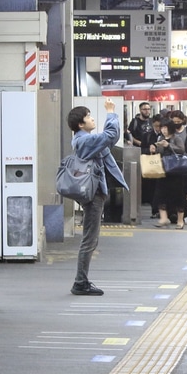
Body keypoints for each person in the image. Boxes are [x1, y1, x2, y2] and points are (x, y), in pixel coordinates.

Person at [68, 98, 128, 296]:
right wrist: (111, 112)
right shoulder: (84, 140)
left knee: (91, 238)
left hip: (95, 192)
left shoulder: (82, 139)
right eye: (89, 117)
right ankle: (80, 282)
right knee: (89, 239)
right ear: (80, 124)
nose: (92, 119)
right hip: (93, 195)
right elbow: (111, 136)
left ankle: (81, 280)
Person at [151, 120, 187, 229]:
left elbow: (182, 150)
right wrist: (154, 149)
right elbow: (159, 153)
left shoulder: (177, 138)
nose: (163, 130)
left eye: (165, 128)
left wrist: (168, 145)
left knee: (178, 195)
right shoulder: (160, 139)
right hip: (163, 170)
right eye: (162, 128)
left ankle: (180, 220)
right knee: (161, 194)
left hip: (176, 171)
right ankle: (163, 218)